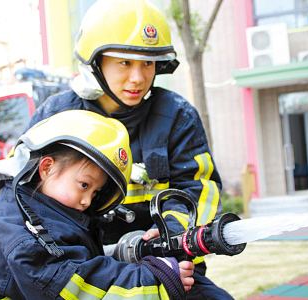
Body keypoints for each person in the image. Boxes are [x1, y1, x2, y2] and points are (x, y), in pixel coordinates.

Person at [29, 0, 231, 298]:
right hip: (83, 272)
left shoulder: (176, 116)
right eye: (125, 62)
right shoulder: (56, 117)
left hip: (165, 264)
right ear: (96, 62)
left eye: (147, 63)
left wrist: (169, 234)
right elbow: (23, 198)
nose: (138, 78)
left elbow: (199, 188)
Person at [0, 110, 194, 300]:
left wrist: (122, 253)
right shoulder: (26, 236)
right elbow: (75, 288)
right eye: (84, 185)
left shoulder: (18, 209)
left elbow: (68, 262)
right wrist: (158, 278)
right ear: (47, 167)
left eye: (96, 192)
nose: (88, 200)